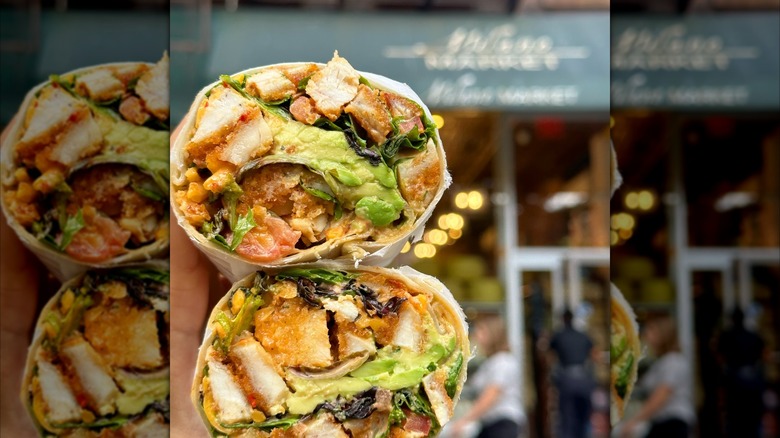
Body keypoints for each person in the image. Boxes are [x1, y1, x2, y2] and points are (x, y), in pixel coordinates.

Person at [450, 314, 524, 438]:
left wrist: (465, 420)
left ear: (493, 333)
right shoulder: (490, 362)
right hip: (490, 425)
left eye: (481, 330)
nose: (477, 335)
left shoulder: (502, 361)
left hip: (502, 424)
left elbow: (491, 395)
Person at [620, 316, 695, 438]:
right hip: (661, 423)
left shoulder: (673, 362)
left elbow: (661, 395)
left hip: (672, 422)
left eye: (651, 331)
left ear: (663, 334)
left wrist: (635, 420)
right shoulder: (660, 362)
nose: (647, 335)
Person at [718, 307, 766, 438]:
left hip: (735, 382)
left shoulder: (727, 335)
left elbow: (720, 357)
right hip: (751, 380)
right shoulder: (753, 335)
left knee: (735, 419)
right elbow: (762, 355)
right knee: (752, 418)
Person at [549, 308, 596, 438]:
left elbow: (549, 355)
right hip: (584, 379)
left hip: (567, 380)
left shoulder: (559, 336)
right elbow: (593, 355)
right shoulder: (583, 336)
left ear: (563, 319)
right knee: (583, 416)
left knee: (567, 417)